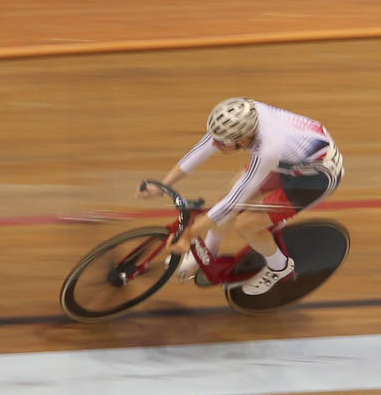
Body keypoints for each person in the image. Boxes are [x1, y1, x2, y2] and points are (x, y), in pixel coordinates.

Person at [141, 98, 344, 295]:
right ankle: (207, 255)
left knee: (245, 224)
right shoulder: (241, 115)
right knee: (224, 200)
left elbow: (234, 201)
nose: (216, 145)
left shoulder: (267, 149)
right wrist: (164, 184)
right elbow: (201, 150)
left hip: (315, 180)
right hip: (293, 160)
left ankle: (279, 268)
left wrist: (189, 235)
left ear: (244, 139)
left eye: (223, 143)